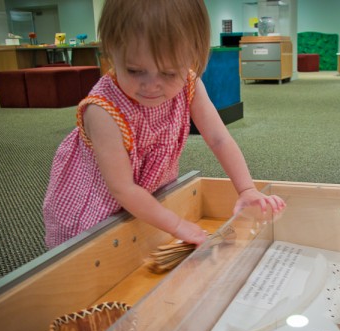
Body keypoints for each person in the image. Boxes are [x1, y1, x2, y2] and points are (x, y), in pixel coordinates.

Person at [43, 0, 286, 249]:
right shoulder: (102, 111)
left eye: (168, 73)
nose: (150, 86)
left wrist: (246, 189)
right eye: (134, 70)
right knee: (91, 261)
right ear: (111, 52)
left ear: (192, 59)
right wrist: (177, 225)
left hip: (143, 196)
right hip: (95, 207)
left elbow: (219, 138)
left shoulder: (189, 85)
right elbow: (123, 189)